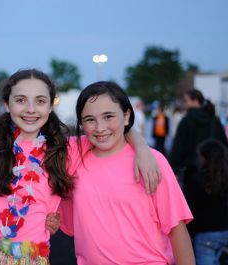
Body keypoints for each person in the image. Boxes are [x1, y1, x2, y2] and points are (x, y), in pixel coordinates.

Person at [0, 69, 161, 264]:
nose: (31, 109)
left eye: (40, 101)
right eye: (21, 100)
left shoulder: (64, 148)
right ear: (6, 104)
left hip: (31, 257)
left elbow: (108, 131)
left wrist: (141, 146)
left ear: (50, 105)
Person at [60, 81, 195, 264]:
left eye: (108, 116)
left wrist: (141, 147)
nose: (100, 128)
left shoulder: (152, 161)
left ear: (126, 116)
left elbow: (176, 229)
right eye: (90, 119)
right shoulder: (74, 155)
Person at [169, 89, 228, 234]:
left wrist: (173, 169)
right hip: (218, 172)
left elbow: (179, 147)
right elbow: (223, 145)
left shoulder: (186, 121)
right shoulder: (214, 120)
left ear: (195, 100)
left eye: (186, 100)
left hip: (193, 174)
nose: (184, 104)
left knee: (195, 210)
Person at [191, 139, 228, 264]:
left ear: (204, 158)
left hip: (205, 234)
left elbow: (192, 209)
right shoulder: (225, 179)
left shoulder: (197, 180)